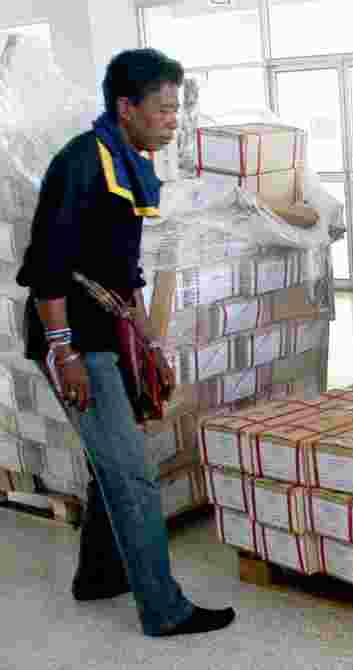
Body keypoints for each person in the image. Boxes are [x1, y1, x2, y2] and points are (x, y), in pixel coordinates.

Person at [16, 48, 235, 638]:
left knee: (108, 460)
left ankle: (98, 574)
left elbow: (122, 271)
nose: (173, 121)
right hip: (75, 337)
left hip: (108, 328)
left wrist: (151, 344)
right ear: (126, 107)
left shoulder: (127, 162)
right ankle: (164, 609)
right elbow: (47, 269)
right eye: (163, 110)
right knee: (131, 472)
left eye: (176, 110)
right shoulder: (81, 164)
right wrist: (64, 353)